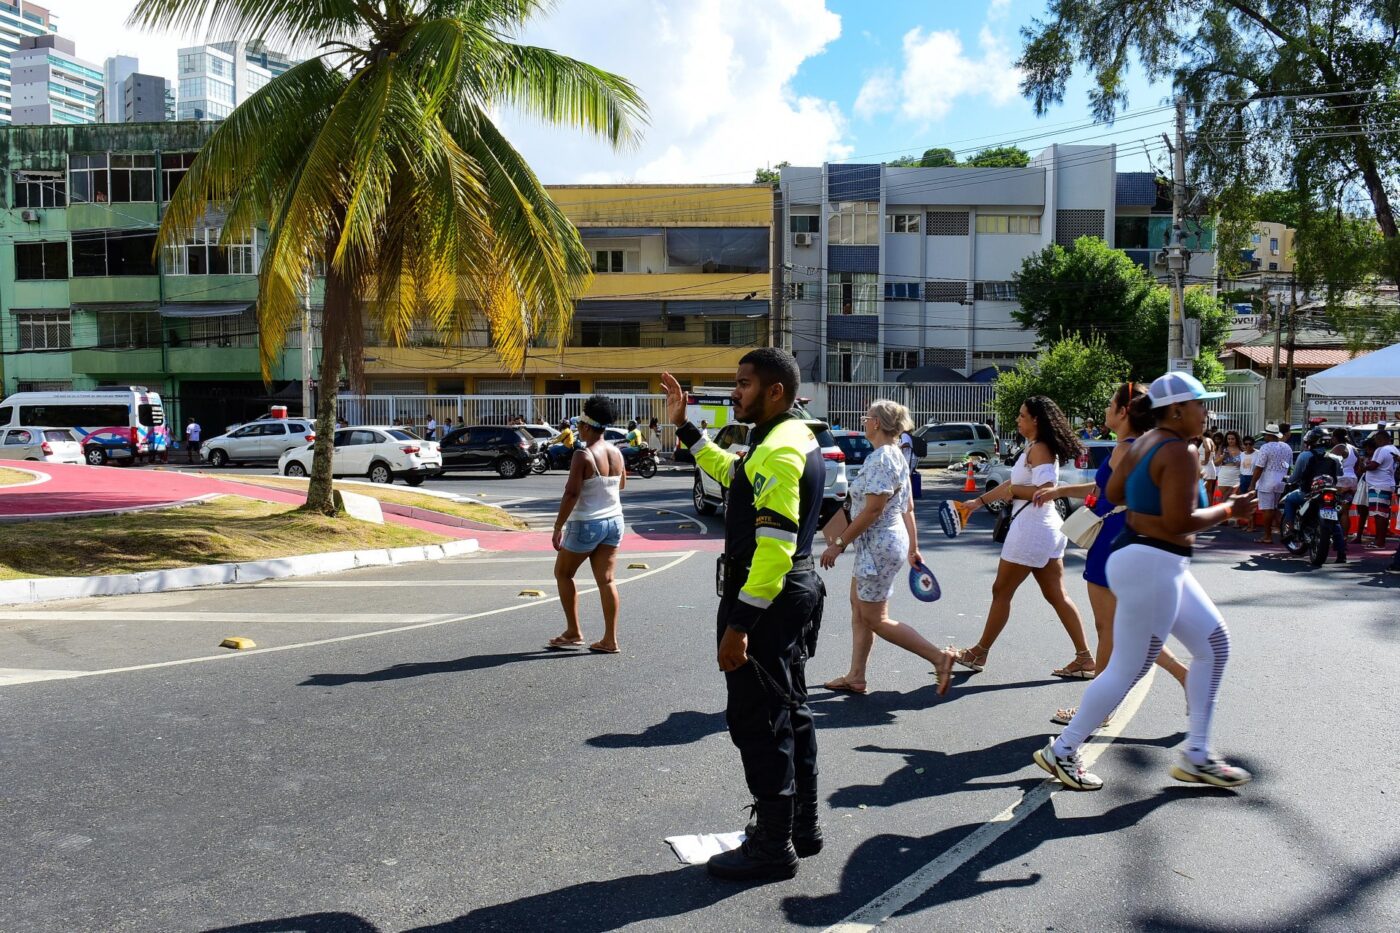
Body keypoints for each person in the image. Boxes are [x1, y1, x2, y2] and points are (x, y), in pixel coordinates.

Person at [1035, 372, 1257, 792]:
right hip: (1153, 562)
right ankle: (1063, 750)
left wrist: (1148, 505)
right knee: (1129, 665)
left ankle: (1197, 754)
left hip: (1148, 560)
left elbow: (1115, 492)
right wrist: (1231, 510)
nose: (1206, 412)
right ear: (1177, 410)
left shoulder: (1142, 444)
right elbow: (1178, 521)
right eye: (1200, 404)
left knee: (1214, 645)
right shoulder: (1179, 451)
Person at [661, 349, 826, 882]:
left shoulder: (778, 450)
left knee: (758, 720)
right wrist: (686, 428)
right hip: (789, 592)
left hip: (766, 598)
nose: (734, 392)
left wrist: (738, 627)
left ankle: (773, 846)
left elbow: (774, 551)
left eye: (743, 383)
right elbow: (732, 473)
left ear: (775, 391)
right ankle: (801, 826)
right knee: (791, 710)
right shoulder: (787, 436)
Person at [1033, 383, 1190, 726]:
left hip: (1113, 541)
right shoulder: (1140, 446)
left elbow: (1108, 493)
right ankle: (1184, 676)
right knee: (1130, 626)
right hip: (1131, 538)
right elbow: (1105, 489)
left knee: (1108, 629)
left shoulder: (1125, 449)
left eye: (1110, 404)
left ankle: (1097, 708)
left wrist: (1061, 491)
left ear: (1123, 412)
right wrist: (1060, 490)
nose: (1105, 409)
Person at [952, 396, 1095, 678]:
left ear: (1036, 420)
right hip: (1043, 529)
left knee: (1001, 591)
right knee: (1056, 595)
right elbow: (1012, 483)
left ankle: (979, 652)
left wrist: (1015, 492)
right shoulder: (1033, 446)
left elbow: (1045, 490)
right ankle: (1085, 658)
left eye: (1022, 415)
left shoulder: (1040, 449)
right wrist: (978, 502)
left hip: (1032, 529)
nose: (1017, 420)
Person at [819, 399, 955, 696]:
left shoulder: (881, 459)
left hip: (878, 547)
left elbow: (873, 510)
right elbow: (908, 507)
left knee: (875, 618)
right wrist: (913, 547)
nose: (863, 422)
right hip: (883, 544)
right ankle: (856, 676)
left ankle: (939, 658)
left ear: (877, 423)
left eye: (866, 417)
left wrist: (839, 544)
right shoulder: (896, 455)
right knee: (859, 606)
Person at [547, 395, 625, 655]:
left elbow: (571, 493)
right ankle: (610, 640)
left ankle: (573, 632)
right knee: (607, 580)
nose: (578, 429)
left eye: (580, 424)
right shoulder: (616, 452)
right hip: (615, 522)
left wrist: (557, 527)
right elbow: (621, 484)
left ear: (587, 426)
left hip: (586, 523)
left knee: (563, 574)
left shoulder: (583, 454)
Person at [1281, 428, 1340, 535]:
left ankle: (1289, 528)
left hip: (1307, 493)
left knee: (1289, 499)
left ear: (1311, 442)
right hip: (1329, 493)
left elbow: (1295, 476)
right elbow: (1339, 474)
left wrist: (1287, 479)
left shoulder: (1304, 456)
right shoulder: (1335, 458)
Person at [1250, 424, 1293, 544]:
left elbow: (1259, 467)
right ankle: (1285, 532)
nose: (1264, 437)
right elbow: (1289, 466)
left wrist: (1252, 483)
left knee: (1267, 510)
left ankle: (1267, 536)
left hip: (1267, 481)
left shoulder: (1265, 447)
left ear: (1269, 435)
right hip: (1281, 481)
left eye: (1265, 435)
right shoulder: (1287, 447)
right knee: (1274, 508)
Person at [1362, 430, 1397, 550]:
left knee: (1379, 514)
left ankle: (1379, 542)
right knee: (1383, 513)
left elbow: (1373, 466)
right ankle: (1380, 540)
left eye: (1376, 440)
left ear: (1381, 439)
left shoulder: (1382, 450)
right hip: (1386, 483)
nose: (1376, 442)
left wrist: (1364, 466)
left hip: (1378, 485)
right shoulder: (1394, 449)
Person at [1216, 431, 1245, 528]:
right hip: (1224, 473)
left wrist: (1241, 463)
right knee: (1225, 497)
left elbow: (1247, 461)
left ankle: (1236, 520)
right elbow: (1216, 463)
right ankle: (1224, 519)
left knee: (1236, 497)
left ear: (1236, 439)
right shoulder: (1223, 448)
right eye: (1228, 439)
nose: (1230, 441)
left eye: (1232, 439)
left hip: (1237, 473)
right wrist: (1222, 457)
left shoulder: (1242, 449)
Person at [1196, 431, 1218, 503]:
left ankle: (1207, 507)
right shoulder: (1209, 440)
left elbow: (1208, 450)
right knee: (1208, 491)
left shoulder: (1206, 440)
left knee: (1205, 491)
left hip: (1206, 468)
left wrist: (1206, 460)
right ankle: (1209, 507)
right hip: (1209, 467)